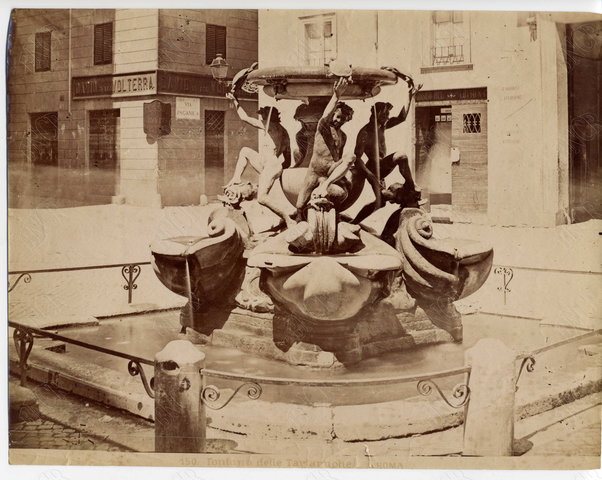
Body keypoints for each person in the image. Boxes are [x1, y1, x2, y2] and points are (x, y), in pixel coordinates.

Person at [224, 91, 296, 227]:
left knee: (262, 198)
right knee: (245, 151)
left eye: (262, 114)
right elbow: (288, 159)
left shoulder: (267, 125)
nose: (261, 117)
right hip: (271, 165)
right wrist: (280, 173)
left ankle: (287, 217)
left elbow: (244, 117)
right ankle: (236, 178)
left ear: (268, 117)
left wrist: (235, 100)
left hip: (270, 165)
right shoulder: (284, 131)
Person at [353, 68, 422, 206]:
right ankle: (411, 186)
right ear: (375, 114)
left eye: (387, 115)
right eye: (384, 115)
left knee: (381, 202)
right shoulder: (365, 133)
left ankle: (410, 186)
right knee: (400, 156)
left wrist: (410, 95)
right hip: (372, 169)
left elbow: (401, 117)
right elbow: (357, 158)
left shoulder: (382, 125)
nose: (387, 118)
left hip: (382, 166)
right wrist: (370, 176)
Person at [295, 77, 354, 216]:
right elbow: (325, 114)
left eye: (344, 119)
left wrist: (345, 174)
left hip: (330, 170)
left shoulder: (343, 136)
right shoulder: (323, 127)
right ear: (333, 114)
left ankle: (326, 187)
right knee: (299, 205)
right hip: (315, 170)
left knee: (350, 157)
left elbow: (340, 157)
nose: (339, 121)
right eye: (338, 117)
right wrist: (337, 95)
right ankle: (297, 219)